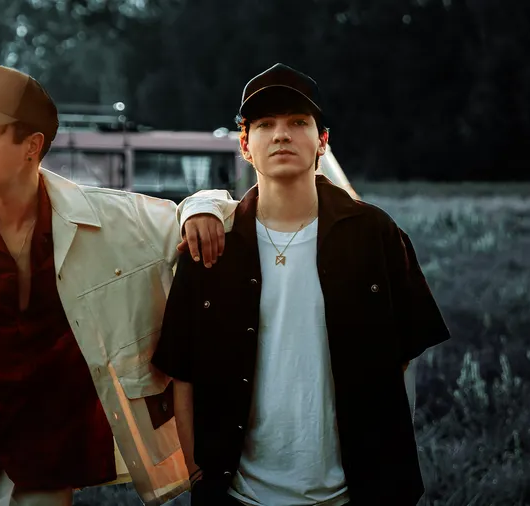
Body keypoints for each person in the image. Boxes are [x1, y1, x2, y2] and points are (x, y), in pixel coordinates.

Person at [0, 64, 234, 506]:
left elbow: (218, 213)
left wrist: (202, 208)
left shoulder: (104, 219)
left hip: (47, 476)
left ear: (32, 146)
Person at [152, 63, 452, 506]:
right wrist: (198, 471)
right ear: (245, 145)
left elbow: (404, 357)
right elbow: (183, 371)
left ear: (322, 141)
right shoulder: (211, 246)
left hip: (354, 493)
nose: (281, 135)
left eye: (297, 122)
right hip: (240, 494)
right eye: (265, 124)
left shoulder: (374, 234)